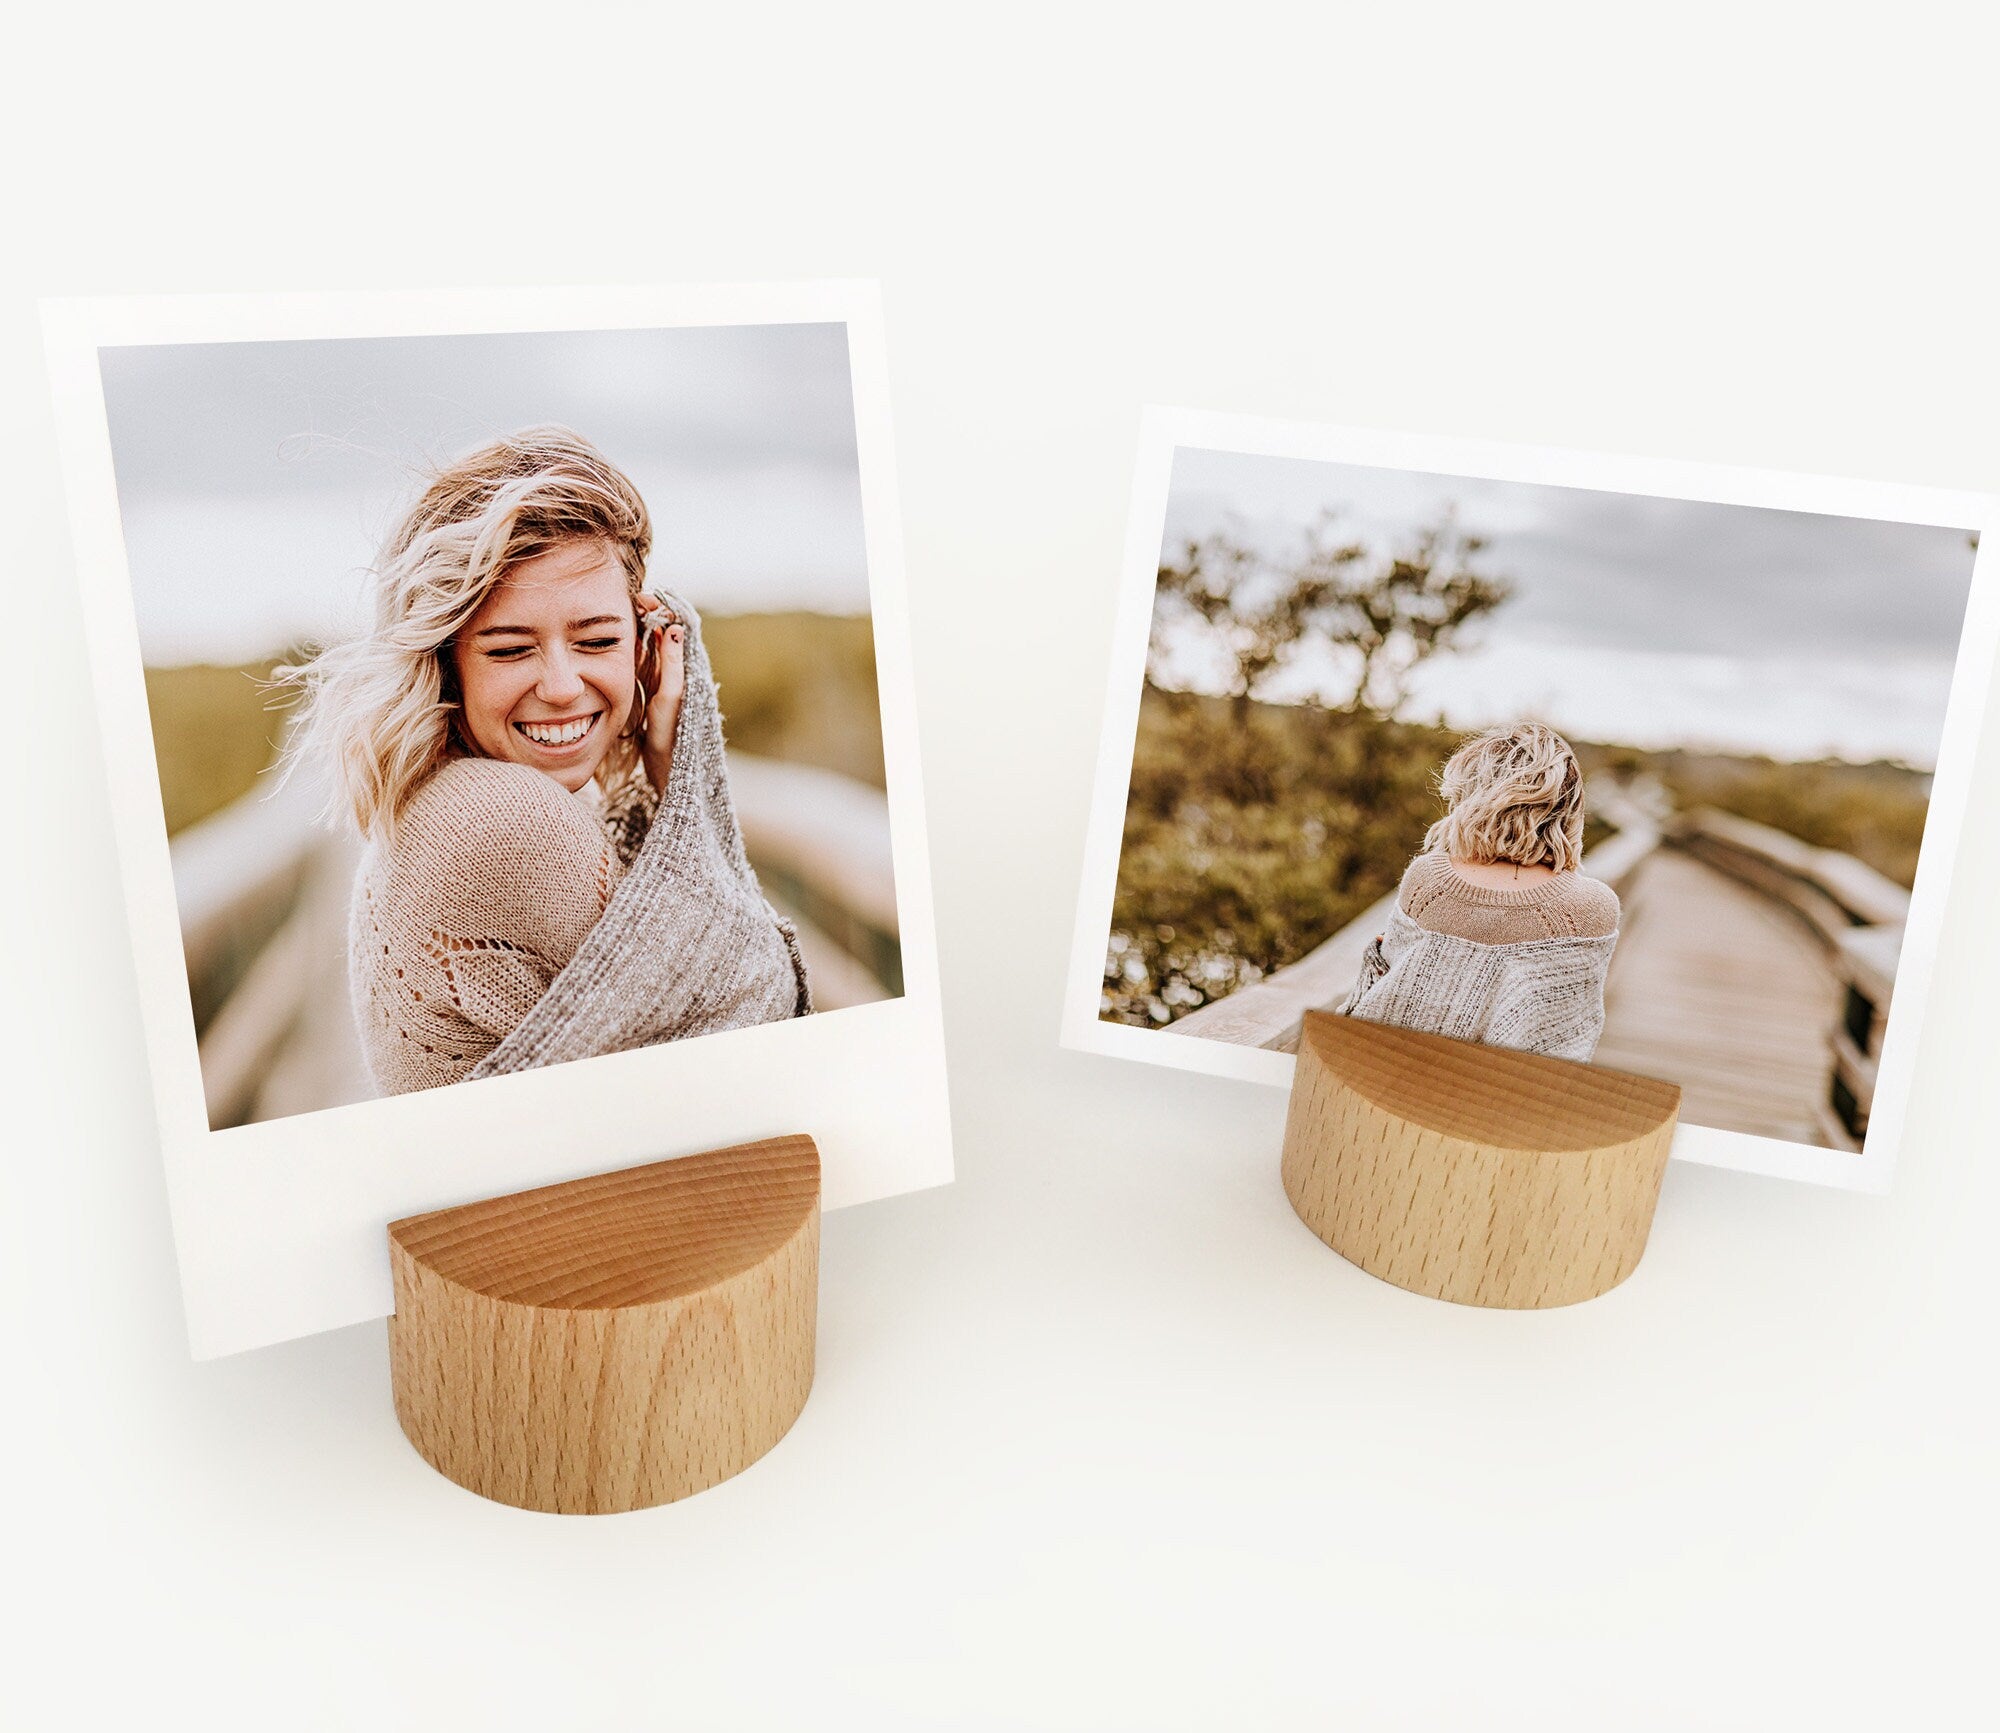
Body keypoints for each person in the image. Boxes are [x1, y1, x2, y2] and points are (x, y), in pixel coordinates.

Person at [280, 426, 809, 1096]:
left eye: (596, 639)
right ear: (447, 664)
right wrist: (682, 783)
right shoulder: (504, 821)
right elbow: (754, 1012)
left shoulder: (446, 796)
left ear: (644, 645)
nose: (561, 685)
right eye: (508, 649)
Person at [1335, 722, 1619, 1062]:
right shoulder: (1591, 908)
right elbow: (1566, 1043)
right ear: (1568, 808)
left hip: (1394, 1080)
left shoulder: (1427, 881)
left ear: (1472, 796)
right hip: (1507, 1104)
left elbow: (1379, 1004)